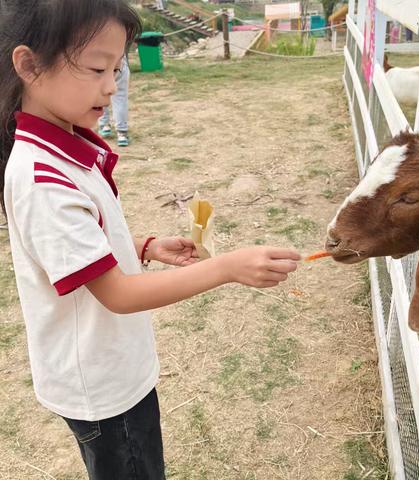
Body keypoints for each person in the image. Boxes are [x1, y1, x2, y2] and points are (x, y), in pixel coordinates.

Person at [0, 1, 301, 479]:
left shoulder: (64, 148)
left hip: (112, 368)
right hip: (102, 386)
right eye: (98, 68)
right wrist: (226, 268)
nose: (111, 85)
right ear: (29, 65)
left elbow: (76, 248)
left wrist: (142, 246)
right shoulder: (42, 176)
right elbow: (117, 294)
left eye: (116, 69)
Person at [98, 55, 130, 147]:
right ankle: (122, 134)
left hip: (99, 63)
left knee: (101, 94)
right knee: (120, 97)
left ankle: (104, 126)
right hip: (119, 61)